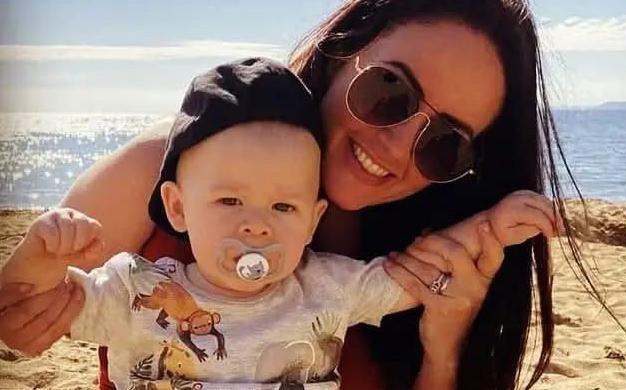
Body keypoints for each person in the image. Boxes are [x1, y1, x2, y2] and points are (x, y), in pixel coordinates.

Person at [0, 1, 587, 389]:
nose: (398, 146)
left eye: (445, 144)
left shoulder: (380, 268)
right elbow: (21, 301)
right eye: (390, 90)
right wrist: (29, 294)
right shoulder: (163, 169)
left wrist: (443, 347)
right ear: (342, 50)